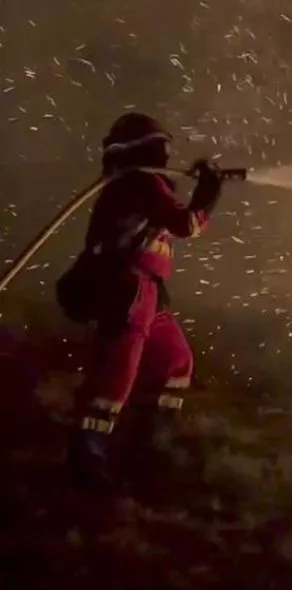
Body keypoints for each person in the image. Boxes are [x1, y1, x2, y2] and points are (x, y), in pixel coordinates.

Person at [58, 111, 224, 488]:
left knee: (175, 363)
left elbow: (165, 227)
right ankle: (88, 456)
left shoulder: (143, 185)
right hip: (127, 290)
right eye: (158, 147)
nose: (166, 156)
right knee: (117, 374)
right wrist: (209, 194)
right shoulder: (139, 183)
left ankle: (150, 443)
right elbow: (186, 225)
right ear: (141, 150)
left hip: (147, 290)